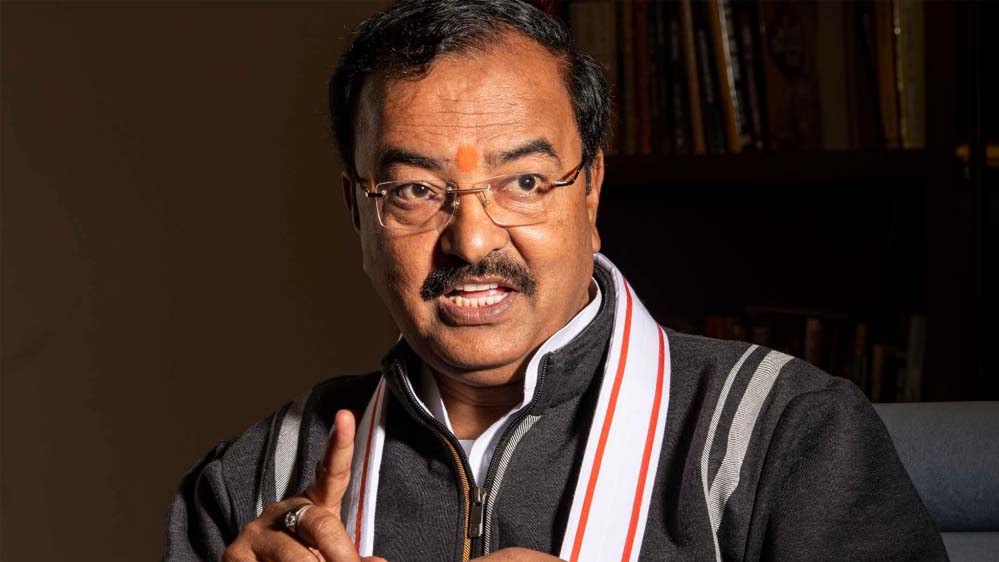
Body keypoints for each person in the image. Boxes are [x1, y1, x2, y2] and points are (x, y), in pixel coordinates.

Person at [164, 2, 947, 561]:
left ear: (590, 190)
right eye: (414, 191)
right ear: (356, 211)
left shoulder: (783, 434)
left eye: (524, 182)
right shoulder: (254, 479)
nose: (471, 239)